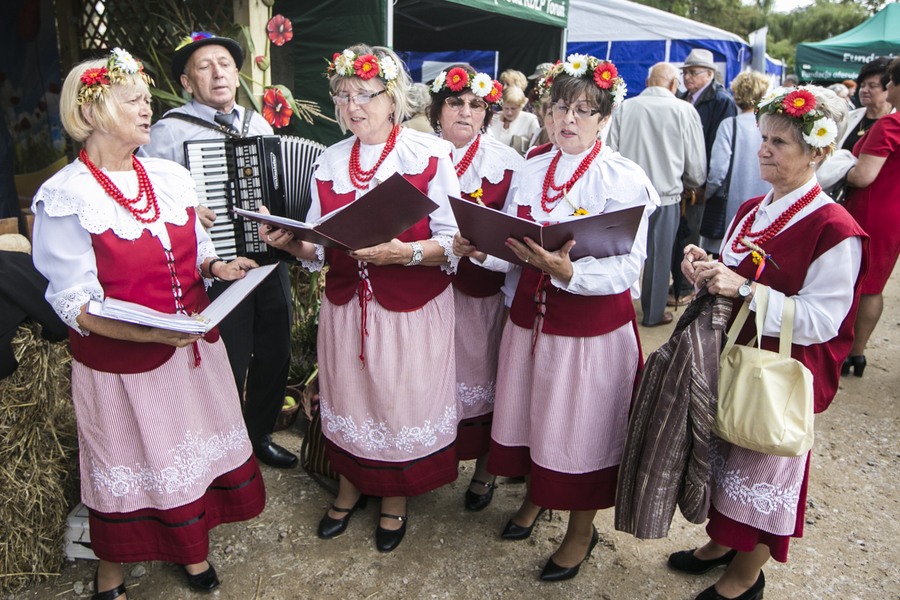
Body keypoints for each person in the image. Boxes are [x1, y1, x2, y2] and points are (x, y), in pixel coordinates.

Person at [31, 49, 266, 599]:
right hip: (124, 371)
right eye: (133, 99)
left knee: (189, 457)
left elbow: (195, 249)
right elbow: (77, 306)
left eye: (145, 99)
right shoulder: (66, 198)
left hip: (191, 354)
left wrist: (217, 266)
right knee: (128, 469)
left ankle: (190, 552)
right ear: (92, 113)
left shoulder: (168, 176)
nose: (147, 109)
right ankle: (110, 570)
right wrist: (153, 333)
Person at [455, 55, 658, 581]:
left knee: (582, 428)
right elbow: (512, 246)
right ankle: (538, 498)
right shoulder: (531, 167)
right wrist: (482, 249)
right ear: (545, 114)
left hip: (589, 331)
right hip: (529, 321)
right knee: (533, 414)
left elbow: (628, 269)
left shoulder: (624, 177)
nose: (569, 119)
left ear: (604, 119)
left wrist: (568, 272)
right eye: (560, 108)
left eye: (584, 111)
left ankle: (580, 530)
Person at [261, 43, 462, 553]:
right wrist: (291, 242)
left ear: (391, 99)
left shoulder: (431, 155)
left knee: (397, 400)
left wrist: (404, 255)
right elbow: (316, 244)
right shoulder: (328, 161)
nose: (353, 105)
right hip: (348, 306)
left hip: (410, 308)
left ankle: (394, 498)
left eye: (365, 94)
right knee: (349, 397)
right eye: (343, 95)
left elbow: (453, 244)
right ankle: (350, 483)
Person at [668, 85, 866, 600]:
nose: (764, 150)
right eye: (764, 138)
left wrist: (746, 289)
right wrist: (705, 270)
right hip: (735, 351)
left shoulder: (835, 226)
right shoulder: (755, 207)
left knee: (765, 464)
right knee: (726, 452)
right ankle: (720, 542)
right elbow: (732, 276)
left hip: (783, 366)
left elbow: (824, 320)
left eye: (780, 142)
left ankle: (745, 576)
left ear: (818, 152)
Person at [140, 32, 298, 469]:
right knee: (226, 355)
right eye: (205, 66)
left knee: (274, 350)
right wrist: (187, 207)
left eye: (225, 63)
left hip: (267, 260)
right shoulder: (166, 133)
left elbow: (280, 185)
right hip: (214, 266)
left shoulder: (258, 124)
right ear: (188, 83)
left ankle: (258, 433)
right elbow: (145, 195)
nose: (218, 72)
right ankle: (223, 445)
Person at [427, 64, 523, 511]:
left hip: (479, 295)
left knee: (482, 378)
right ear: (437, 110)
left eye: (475, 105)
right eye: (454, 102)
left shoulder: (507, 164)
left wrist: (483, 251)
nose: (465, 112)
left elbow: (521, 241)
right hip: (427, 290)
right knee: (432, 381)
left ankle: (485, 467)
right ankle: (431, 458)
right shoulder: (418, 153)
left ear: (487, 113)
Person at [608, 62, 706, 328]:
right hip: (666, 196)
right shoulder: (685, 110)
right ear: (673, 84)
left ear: (649, 81)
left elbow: (609, 150)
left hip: (628, 196)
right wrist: (691, 182)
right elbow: (696, 167)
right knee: (659, 257)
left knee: (619, 254)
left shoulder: (625, 107)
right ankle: (653, 314)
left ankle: (617, 310)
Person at [843, 57, 900, 377]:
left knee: (857, 282)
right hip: (894, 211)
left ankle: (845, 349)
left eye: (890, 81)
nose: (887, 86)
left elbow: (863, 176)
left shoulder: (890, 125)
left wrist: (838, 169)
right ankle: (858, 353)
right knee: (874, 285)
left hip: (871, 211)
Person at [672, 49, 738, 306]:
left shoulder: (722, 101)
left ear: (709, 74)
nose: (687, 77)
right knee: (680, 235)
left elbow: (720, 148)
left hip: (700, 182)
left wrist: (706, 184)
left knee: (694, 238)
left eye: (693, 72)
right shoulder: (681, 97)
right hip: (680, 178)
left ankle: (693, 285)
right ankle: (679, 281)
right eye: (685, 72)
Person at [700, 71, 772, 254]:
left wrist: (706, 194)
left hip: (732, 207)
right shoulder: (771, 126)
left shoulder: (730, 125)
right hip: (766, 203)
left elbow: (718, 170)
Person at [838, 57, 893, 152]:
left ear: (889, 88)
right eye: (862, 85)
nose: (864, 90)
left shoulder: (894, 122)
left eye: (872, 86)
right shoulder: (848, 117)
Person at [488, 85, 541, 155]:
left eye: (513, 108)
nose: (509, 112)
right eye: (506, 108)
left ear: (521, 106)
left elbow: (535, 149)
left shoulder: (530, 120)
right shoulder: (494, 118)